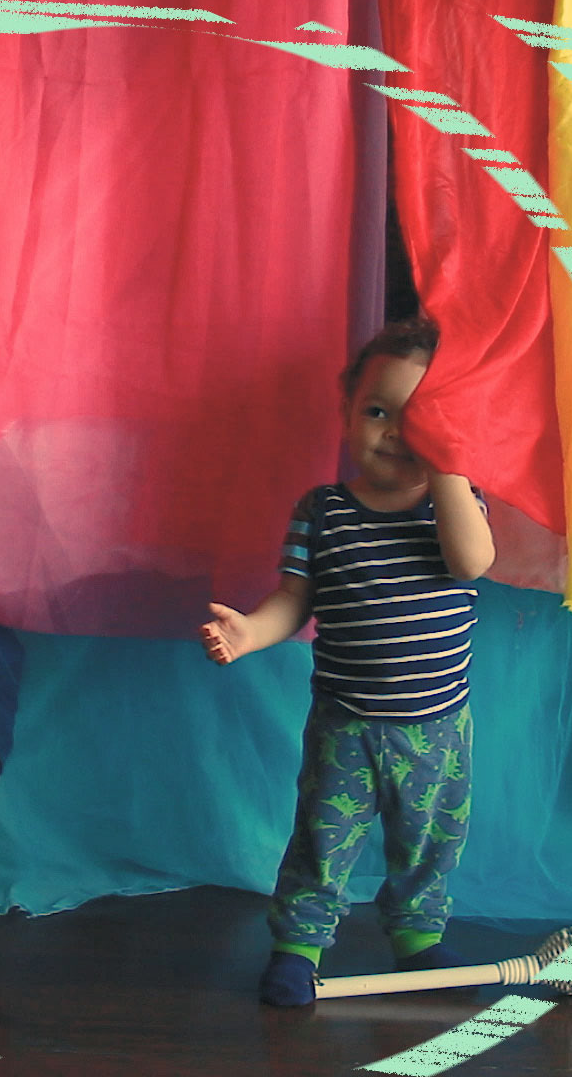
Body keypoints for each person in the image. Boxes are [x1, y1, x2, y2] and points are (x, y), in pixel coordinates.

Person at [199, 317, 495, 1007]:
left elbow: (472, 562)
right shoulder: (324, 512)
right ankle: (298, 948)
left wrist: (449, 464)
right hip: (346, 725)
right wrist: (250, 632)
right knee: (321, 840)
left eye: (420, 419)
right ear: (346, 414)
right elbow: (293, 600)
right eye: (378, 412)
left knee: (430, 842)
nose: (395, 433)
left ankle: (417, 938)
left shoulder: (455, 504)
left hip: (437, 727)